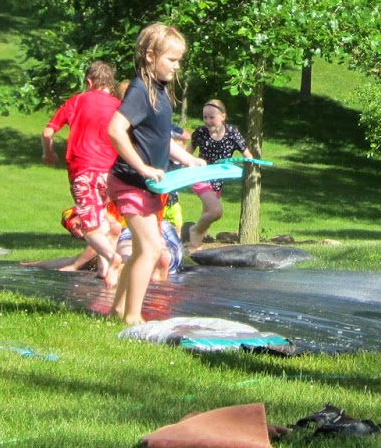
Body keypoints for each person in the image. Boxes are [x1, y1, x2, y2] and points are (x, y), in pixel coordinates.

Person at [106, 24, 204, 325]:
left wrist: (187, 158)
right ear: (151, 55)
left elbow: (160, 140)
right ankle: (133, 318)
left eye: (179, 60)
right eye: (172, 60)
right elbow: (115, 130)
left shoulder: (159, 93)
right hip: (130, 182)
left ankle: (119, 310)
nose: (177, 66)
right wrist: (142, 166)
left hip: (147, 186)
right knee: (150, 249)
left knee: (140, 251)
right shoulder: (140, 90)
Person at [43, 61, 122, 283]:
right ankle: (104, 271)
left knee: (90, 227)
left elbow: (48, 132)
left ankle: (111, 256)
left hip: (83, 172)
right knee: (104, 221)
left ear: (89, 82)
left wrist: (48, 153)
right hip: (110, 175)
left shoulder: (77, 101)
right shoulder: (118, 106)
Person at [186, 99, 253, 249]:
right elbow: (187, 154)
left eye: (212, 117)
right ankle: (194, 230)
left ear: (223, 116)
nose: (208, 121)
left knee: (208, 218)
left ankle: (194, 249)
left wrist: (251, 163)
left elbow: (247, 155)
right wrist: (188, 165)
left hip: (217, 181)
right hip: (200, 176)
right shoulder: (200, 133)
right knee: (216, 211)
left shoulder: (232, 133)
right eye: (205, 117)